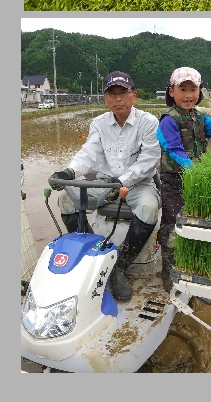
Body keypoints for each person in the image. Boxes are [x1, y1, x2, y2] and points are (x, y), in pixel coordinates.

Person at [49, 71, 161, 302]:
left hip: (139, 183)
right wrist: (69, 172)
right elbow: (89, 153)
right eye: (113, 94)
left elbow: (149, 160)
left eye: (123, 93)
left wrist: (123, 182)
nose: (118, 99)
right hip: (105, 180)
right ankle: (97, 257)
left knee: (149, 208)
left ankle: (119, 266)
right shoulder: (99, 123)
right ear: (105, 98)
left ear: (134, 96)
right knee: (67, 201)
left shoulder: (149, 122)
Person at [155, 67, 211, 288]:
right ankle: (169, 274)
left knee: (198, 224)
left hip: (196, 180)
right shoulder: (168, 120)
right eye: (183, 89)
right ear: (171, 92)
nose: (188, 95)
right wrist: (194, 169)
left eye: (193, 89)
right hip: (174, 181)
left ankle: (194, 274)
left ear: (199, 92)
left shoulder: (200, 117)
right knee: (174, 225)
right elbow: (174, 150)